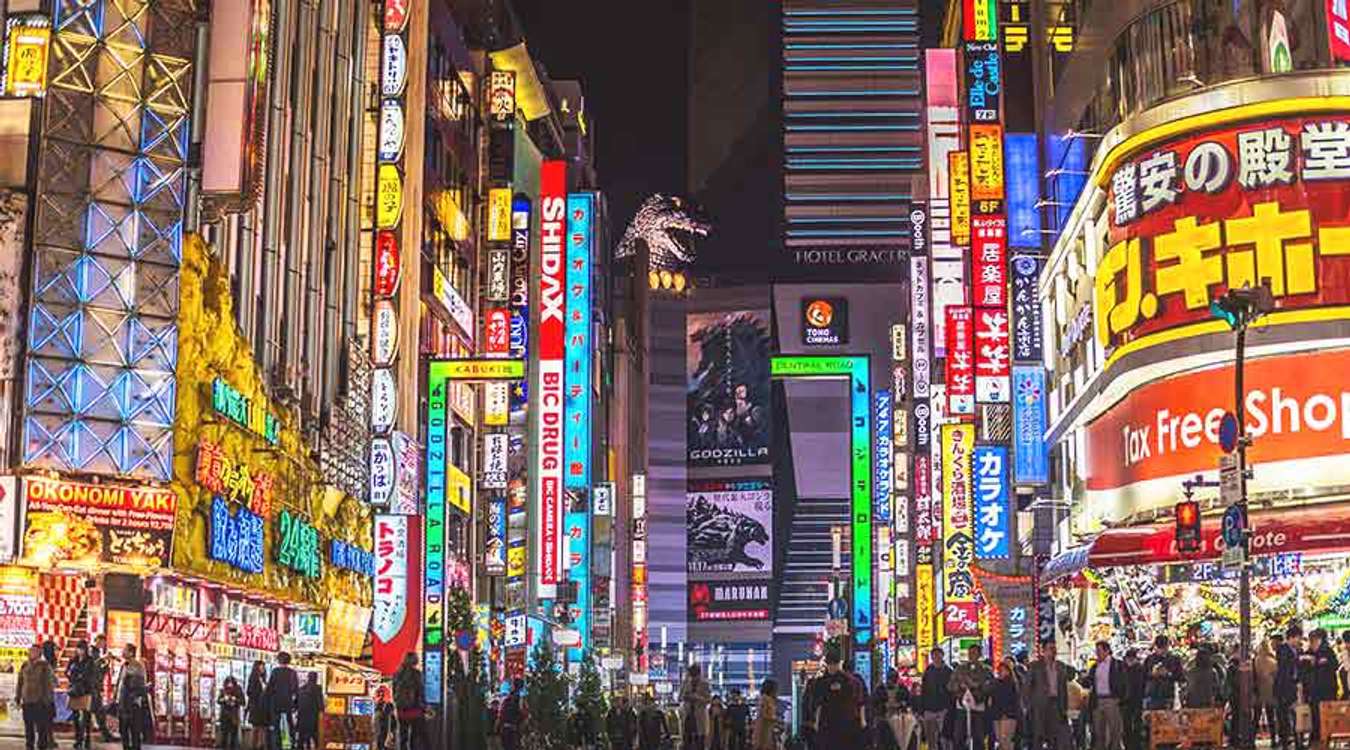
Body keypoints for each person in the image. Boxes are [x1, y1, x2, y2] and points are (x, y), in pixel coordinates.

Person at [1079, 641, 1126, 750]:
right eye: (1096, 651)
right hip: (1098, 700)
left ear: (1107, 651)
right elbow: (1089, 682)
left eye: (1099, 651)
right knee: (1099, 731)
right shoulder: (1095, 666)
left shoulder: (1117, 664)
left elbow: (1124, 682)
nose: (1097, 654)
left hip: (1111, 700)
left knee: (1115, 731)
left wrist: (1121, 698)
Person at [813, 645, 864, 746]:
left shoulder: (848, 681)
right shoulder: (822, 682)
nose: (832, 666)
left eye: (834, 664)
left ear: (838, 664)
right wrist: (816, 722)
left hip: (842, 723)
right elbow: (819, 704)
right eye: (830, 664)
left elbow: (858, 701)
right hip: (832, 722)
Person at [1027, 641, 1073, 750]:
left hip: (1057, 705)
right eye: (1050, 648)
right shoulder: (1035, 666)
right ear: (1043, 651)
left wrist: (1065, 707)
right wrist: (1029, 706)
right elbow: (1027, 687)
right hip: (1040, 706)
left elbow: (1063, 688)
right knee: (1038, 736)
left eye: (1054, 648)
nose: (1054, 651)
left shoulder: (1061, 666)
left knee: (1056, 736)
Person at [948, 644, 993, 750]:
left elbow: (991, 686)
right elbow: (950, 685)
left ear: (979, 655)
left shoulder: (986, 670)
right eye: (970, 653)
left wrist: (977, 686)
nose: (972, 655)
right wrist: (960, 686)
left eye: (974, 653)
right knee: (959, 736)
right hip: (962, 707)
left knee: (979, 736)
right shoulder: (960, 669)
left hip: (978, 707)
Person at [16, 645, 55, 750]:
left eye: (34, 651)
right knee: (28, 727)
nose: (32, 653)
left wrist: (47, 700)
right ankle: (29, 746)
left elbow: (49, 684)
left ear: (39, 653)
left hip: (40, 701)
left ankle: (42, 746)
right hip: (27, 701)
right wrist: (18, 697)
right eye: (31, 651)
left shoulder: (45, 666)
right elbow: (20, 682)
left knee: (41, 727)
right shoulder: (25, 665)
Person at [1309, 628, 1340, 747]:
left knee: (1324, 713)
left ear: (1319, 640)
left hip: (1326, 688)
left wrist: (1321, 662)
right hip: (1316, 689)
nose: (1311, 643)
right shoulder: (1311, 651)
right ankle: (1319, 735)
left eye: (1313, 640)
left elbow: (1334, 665)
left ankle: (1324, 735)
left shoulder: (1327, 651)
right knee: (1316, 713)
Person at [114, 644, 149, 750]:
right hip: (123, 703)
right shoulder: (124, 665)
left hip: (132, 704)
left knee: (134, 732)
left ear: (131, 653)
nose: (122, 652)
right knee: (123, 731)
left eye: (125, 650)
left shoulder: (137, 666)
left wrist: (133, 698)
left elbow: (138, 686)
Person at [919, 649, 954, 750]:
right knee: (931, 738)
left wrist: (948, 708)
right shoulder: (928, 671)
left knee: (944, 736)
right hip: (929, 709)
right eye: (934, 655)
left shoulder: (948, 671)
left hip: (943, 709)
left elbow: (951, 691)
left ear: (942, 656)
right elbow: (924, 690)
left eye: (938, 655)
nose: (936, 658)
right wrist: (923, 709)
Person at [264, 652, 299, 750]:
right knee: (290, 723)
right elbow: (296, 690)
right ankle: (291, 743)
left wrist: (266, 700)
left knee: (276, 725)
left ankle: (277, 745)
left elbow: (269, 688)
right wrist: (296, 704)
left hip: (276, 702)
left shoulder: (275, 672)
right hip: (288, 702)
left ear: (279, 660)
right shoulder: (292, 673)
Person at [1276, 626, 1304, 750]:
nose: (1300, 640)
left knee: (1296, 715)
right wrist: (1298, 660)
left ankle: (1298, 742)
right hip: (1283, 688)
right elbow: (1284, 669)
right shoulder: (1283, 649)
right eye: (1298, 638)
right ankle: (1285, 742)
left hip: (1293, 687)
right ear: (1292, 637)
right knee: (1284, 716)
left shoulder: (1296, 650)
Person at [392, 653, 425, 750]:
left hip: (401, 710)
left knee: (403, 735)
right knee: (415, 737)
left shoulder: (397, 674)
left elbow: (394, 692)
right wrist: (424, 707)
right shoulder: (417, 674)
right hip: (414, 710)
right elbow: (420, 691)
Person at [1142, 636, 1184, 712]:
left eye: (1164, 647)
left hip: (1167, 694)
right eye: (1159, 648)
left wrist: (1168, 674)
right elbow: (1142, 676)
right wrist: (1152, 674)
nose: (1162, 650)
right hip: (1152, 695)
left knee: (1167, 719)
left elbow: (1180, 676)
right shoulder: (1149, 659)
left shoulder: (1174, 659)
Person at [66, 640, 95, 750]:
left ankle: (87, 737)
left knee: (86, 715)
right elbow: (67, 672)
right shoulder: (73, 660)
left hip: (86, 690)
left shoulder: (90, 661)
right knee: (75, 716)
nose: (80, 651)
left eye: (82, 649)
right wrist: (73, 678)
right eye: (78, 648)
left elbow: (91, 675)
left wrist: (81, 677)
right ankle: (78, 738)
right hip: (74, 690)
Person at [990, 658, 1020, 750]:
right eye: (998, 670)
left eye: (1001, 670)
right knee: (1000, 740)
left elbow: (1013, 701)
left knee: (1006, 740)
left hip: (1008, 715)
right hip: (997, 714)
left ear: (1008, 671)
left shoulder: (1012, 683)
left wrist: (1006, 713)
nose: (999, 672)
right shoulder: (996, 683)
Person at [680, 664, 712, 750]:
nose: (693, 678)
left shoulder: (704, 684)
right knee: (687, 738)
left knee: (700, 740)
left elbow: (708, 699)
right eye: (691, 675)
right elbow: (680, 697)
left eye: (694, 675)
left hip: (699, 714)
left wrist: (697, 697)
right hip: (688, 714)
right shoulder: (686, 683)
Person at [90, 636, 115, 743]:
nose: (102, 644)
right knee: (98, 712)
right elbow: (92, 667)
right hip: (92, 687)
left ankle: (105, 734)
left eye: (104, 643)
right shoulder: (92, 652)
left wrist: (106, 665)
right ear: (96, 641)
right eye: (101, 642)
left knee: (98, 712)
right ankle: (105, 734)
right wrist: (104, 659)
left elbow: (98, 671)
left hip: (95, 686)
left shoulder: (96, 653)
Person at [1255, 636, 1279, 745]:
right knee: (1271, 716)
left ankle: (1251, 738)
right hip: (1270, 691)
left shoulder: (1256, 661)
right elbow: (1276, 676)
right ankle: (1274, 738)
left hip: (1258, 692)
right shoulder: (1273, 661)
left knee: (1256, 716)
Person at [1121, 649, 1146, 750]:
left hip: (1128, 700)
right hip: (1136, 699)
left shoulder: (1123, 667)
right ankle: (1135, 744)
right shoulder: (1139, 668)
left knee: (1128, 723)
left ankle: (1129, 744)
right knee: (1135, 722)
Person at [294, 672, 323, 750]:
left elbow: (295, 704)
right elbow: (320, 704)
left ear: (308, 678)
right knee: (315, 738)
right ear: (316, 678)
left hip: (302, 718)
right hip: (313, 718)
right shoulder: (317, 689)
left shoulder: (301, 689)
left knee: (301, 738)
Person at [218, 676, 246, 750]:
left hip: (234, 716)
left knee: (233, 736)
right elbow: (218, 700)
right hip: (224, 716)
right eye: (228, 683)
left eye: (231, 683)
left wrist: (235, 700)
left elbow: (243, 702)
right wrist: (224, 699)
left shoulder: (238, 690)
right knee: (224, 735)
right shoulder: (223, 690)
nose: (229, 685)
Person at [246, 661, 268, 750]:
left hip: (263, 707)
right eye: (261, 667)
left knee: (263, 727)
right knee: (256, 727)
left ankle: (261, 745)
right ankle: (254, 745)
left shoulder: (263, 679)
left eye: (263, 667)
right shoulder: (253, 679)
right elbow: (249, 692)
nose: (262, 669)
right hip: (255, 706)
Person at [751, 679, 779, 750]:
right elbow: (762, 713)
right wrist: (774, 718)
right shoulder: (764, 699)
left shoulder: (770, 699)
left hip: (768, 727)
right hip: (763, 728)